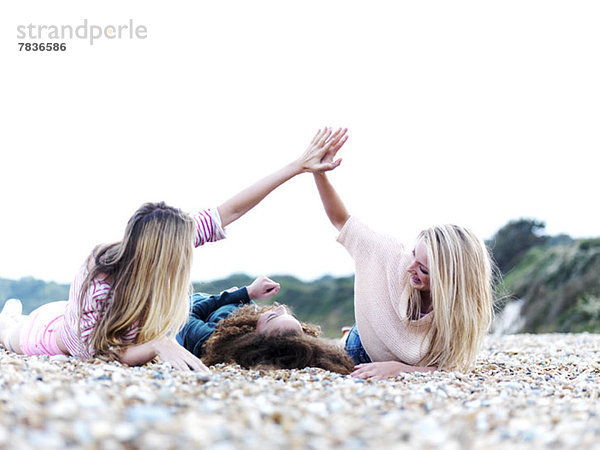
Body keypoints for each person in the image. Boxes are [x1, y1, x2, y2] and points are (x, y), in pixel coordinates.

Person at [0, 128, 343, 371]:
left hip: (70, 311)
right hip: (47, 334)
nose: (191, 250)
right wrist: (157, 344)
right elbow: (89, 352)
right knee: (7, 332)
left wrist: (298, 167)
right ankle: (8, 320)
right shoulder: (102, 280)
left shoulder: (156, 252)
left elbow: (230, 210)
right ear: (164, 254)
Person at [313, 128, 495, 379]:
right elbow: (342, 220)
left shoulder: (460, 312)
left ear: (450, 281)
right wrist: (319, 174)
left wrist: (400, 369)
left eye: (424, 269)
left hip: (392, 361)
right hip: (360, 347)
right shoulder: (394, 257)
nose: (411, 268)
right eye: (414, 257)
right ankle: (356, 331)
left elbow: (449, 369)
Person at [175, 276, 356, 374]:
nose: (279, 309)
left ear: (259, 338)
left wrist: (243, 293)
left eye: (272, 317)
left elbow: (183, 315)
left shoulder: (212, 339)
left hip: (183, 302)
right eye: (284, 314)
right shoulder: (261, 337)